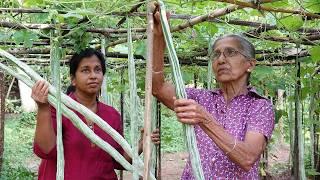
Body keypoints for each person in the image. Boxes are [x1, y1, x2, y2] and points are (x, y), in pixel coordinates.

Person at [152, 8, 274, 179]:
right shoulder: (202, 98)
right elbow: (158, 88)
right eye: (216, 54)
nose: (221, 59)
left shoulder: (259, 106)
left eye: (230, 53)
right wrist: (159, 37)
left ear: (250, 65)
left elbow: (247, 158)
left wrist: (205, 119)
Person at [31, 48, 160, 180]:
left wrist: (142, 142)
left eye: (97, 70)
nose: (93, 75)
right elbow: (45, 150)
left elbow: (119, 160)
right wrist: (42, 108)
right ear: (73, 79)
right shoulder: (57, 109)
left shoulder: (111, 115)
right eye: (85, 70)